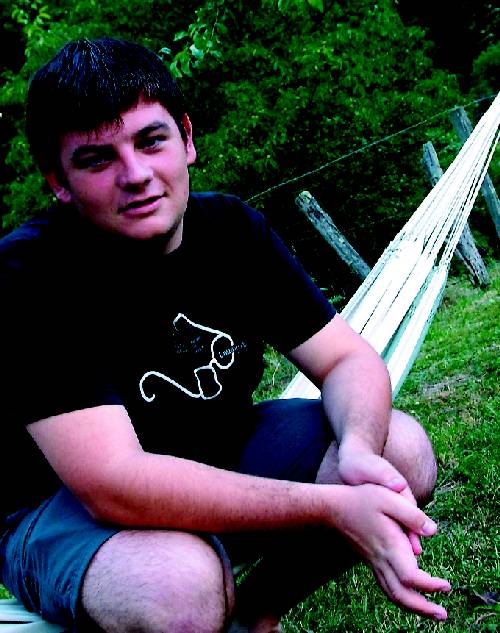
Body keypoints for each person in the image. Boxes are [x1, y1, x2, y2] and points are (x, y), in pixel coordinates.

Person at [0, 37, 451, 633]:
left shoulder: (232, 229)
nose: (136, 175)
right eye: (97, 160)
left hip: (223, 450)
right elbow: (113, 484)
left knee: (401, 453)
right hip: (69, 510)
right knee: (179, 588)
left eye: (150, 140)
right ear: (60, 181)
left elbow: (346, 359)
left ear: (187, 138)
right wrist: (335, 505)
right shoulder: (28, 273)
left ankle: (254, 615)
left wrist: (359, 455)